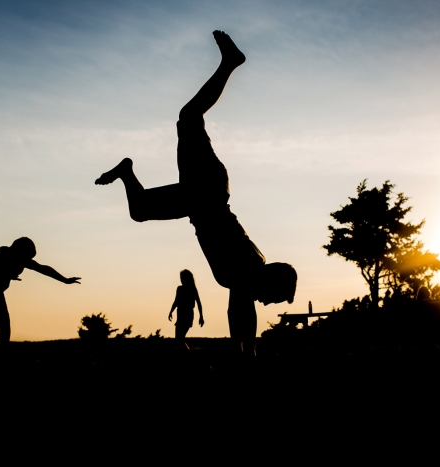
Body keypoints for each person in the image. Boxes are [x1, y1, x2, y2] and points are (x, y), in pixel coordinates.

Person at [95, 31, 297, 356]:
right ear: (271, 281)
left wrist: (247, 352)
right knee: (188, 117)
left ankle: (126, 171)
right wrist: (246, 355)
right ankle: (230, 63)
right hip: (206, 192)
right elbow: (241, 313)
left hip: (199, 200)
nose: (265, 302)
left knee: (140, 210)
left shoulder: (245, 276)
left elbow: (243, 310)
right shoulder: (247, 268)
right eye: (271, 297)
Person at [0, 237, 81, 342]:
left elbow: (43, 268)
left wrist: (65, 280)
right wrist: (7, 274)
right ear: (20, 251)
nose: (27, 261)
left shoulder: (18, 258)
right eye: (27, 256)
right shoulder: (2, 256)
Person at [168, 270, 204, 349]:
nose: (181, 280)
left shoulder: (193, 289)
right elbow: (176, 301)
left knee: (180, 338)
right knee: (178, 339)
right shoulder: (179, 289)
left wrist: (201, 316)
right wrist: (171, 311)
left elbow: (198, 303)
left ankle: (186, 354)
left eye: (182, 278)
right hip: (180, 314)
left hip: (188, 314)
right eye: (180, 278)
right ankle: (184, 354)